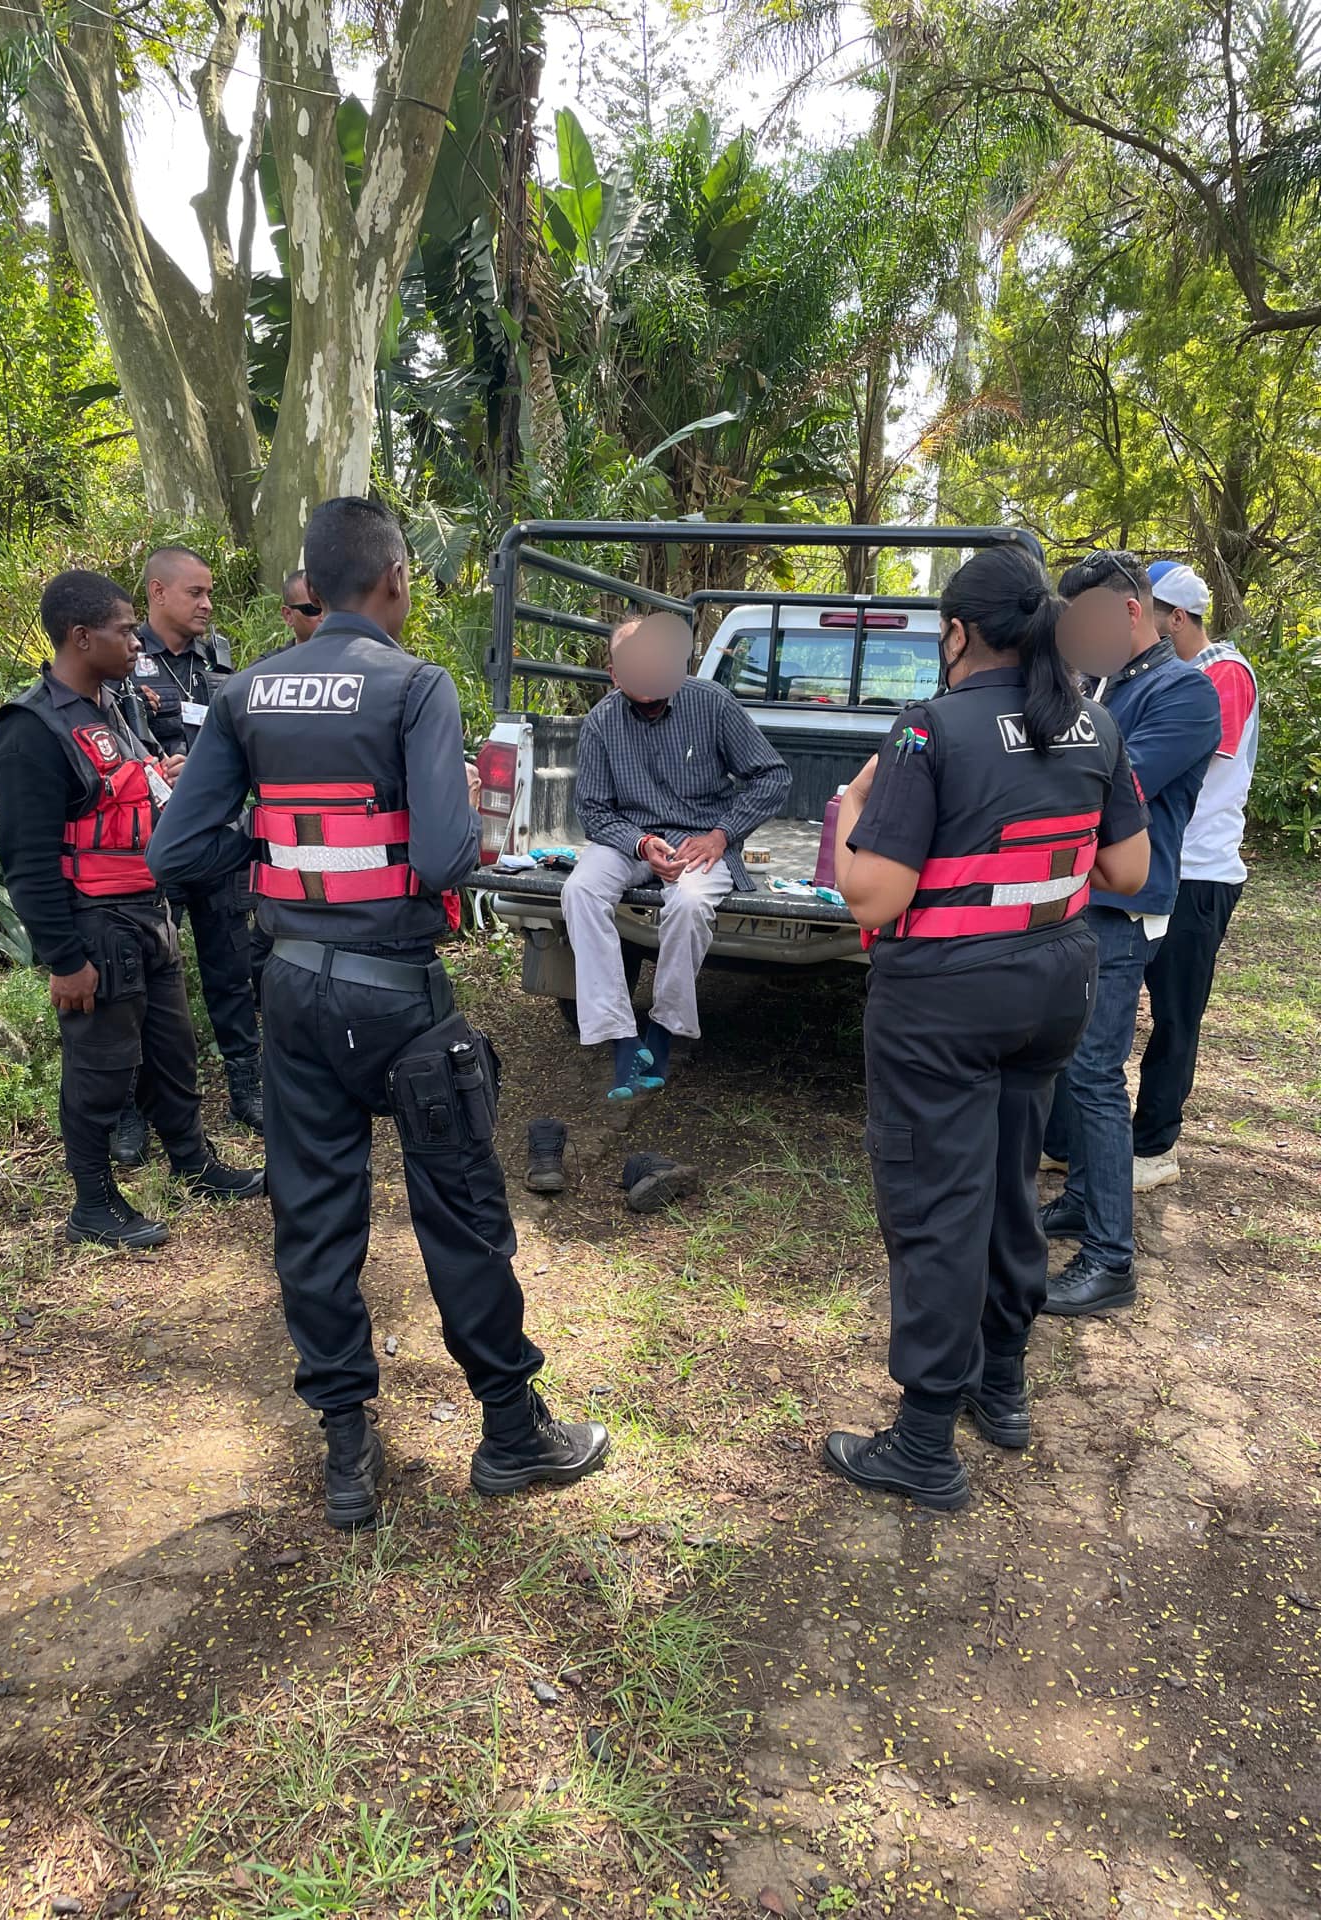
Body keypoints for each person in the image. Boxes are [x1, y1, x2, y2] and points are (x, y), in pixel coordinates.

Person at [146, 497, 610, 1529]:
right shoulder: (414, 685)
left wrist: (281, 860)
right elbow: (446, 857)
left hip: (292, 995)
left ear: (311, 581)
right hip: (396, 1000)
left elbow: (175, 854)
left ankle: (348, 1452)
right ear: (395, 578)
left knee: (314, 1221)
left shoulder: (246, 692)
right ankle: (510, 1433)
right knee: (461, 1215)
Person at [821, 545, 1151, 1511]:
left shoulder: (930, 732)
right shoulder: (1091, 723)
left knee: (937, 1205)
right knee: (1010, 1184)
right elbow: (1126, 873)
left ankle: (924, 1445)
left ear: (957, 633)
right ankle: (1000, 1388)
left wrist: (849, 808)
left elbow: (874, 896)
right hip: (1053, 991)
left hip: (943, 1010)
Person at [0, 571, 265, 1248]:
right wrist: (65, 959)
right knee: (101, 1066)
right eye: (122, 628)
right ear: (81, 638)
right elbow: (25, 860)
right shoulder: (31, 730)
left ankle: (194, 1163)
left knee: (171, 1052)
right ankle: (92, 1202)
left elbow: (120, 790)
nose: (136, 638)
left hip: (148, 913)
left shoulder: (115, 706)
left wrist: (156, 776)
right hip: (93, 926)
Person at [1039, 553, 1221, 1315]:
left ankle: (1111, 1257)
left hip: (1124, 904)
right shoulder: (1112, 684)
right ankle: (1083, 1199)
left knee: (1094, 1075)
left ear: (1130, 612)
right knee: (1072, 1066)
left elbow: (1114, 788)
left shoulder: (1185, 690)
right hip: (1081, 899)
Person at [561, 613, 791, 1115]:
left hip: (700, 838)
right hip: (631, 839)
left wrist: (720, 834)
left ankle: (662, 1030)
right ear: (615, 674)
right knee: (579, 891)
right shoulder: (602, 720)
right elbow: (594, 810)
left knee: (687, 903)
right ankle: (619, 1036)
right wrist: (641, 843)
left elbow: (772, 776)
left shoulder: (711, 703)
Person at [118, 546, 264, 1149]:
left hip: (220, 838)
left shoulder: (219, 657)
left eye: (209, 593)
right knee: (146, 976)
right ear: (157, 592)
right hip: (157, 843)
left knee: (230, 965)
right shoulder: (123, 658)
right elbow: (104, 742)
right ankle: (129, 1102)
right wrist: (153, 768)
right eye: (194, 593)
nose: (207, 603)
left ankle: (247, 1083)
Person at [1129, 563, 1258, 1190]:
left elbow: (1197, 763)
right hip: (1159, 864)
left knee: (1175, 1014)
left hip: (1199, 871)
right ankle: (1081, 1140)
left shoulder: (1223, 675)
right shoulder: (1160, 677)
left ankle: (1153, 1146)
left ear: (1174, 617)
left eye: (1145, 614)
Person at [248, 570, 328, 1001]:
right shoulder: (261, 680)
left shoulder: (374, 674)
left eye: (328, 608)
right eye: (312, 611)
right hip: (280, 840)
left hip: (348, 839)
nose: (323, 619)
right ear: (287, 615)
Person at [279, 568, 323, 647]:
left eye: (330, 608)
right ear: (288, 615)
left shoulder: (350, 656)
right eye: (313, 609)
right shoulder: (275, 659)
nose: (324, 616)